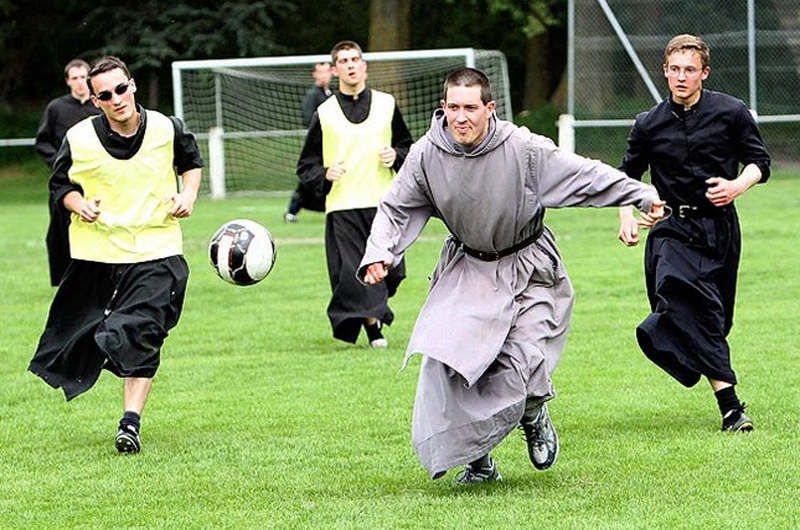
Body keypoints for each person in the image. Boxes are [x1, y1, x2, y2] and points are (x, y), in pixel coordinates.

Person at [358, 67, 665, 484]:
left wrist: (641, 192)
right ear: (442, 108)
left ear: (490, 108)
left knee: (525, 363)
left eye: (470, 108)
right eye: (453, 108)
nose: (461, 118)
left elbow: (585, 174)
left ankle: (535, 412)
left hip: (528, 267)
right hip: (467, 269)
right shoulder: (428, 154)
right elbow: (396, 208)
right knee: (451, 363)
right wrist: (380, 252)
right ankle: (479, 460)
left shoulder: (523, 148)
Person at [28, 56, 204, 455]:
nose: (116, 99)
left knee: (141, 331)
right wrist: (79, 205)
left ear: (133, 85)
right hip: (100, 255)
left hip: (158, 249)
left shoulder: (166, 127)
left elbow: (191, 162)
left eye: (121, 89)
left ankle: (130, 422)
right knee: (103, 336)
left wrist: (188, 195)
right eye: (105, 94)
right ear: (94, 100)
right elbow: (61, 186)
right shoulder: (79, 138)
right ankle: (111, 355)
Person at [617, 34, 770, 433]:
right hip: (671, 231)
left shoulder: (731, 112)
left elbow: (759, 162)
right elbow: (624, 179)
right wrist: (629, 215)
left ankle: (663, 338)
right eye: (674, 69)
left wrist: (737, 186)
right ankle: (731, 407)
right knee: (690, 300)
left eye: (689, 70)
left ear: (704, 73)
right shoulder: (648, 124)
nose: (681, 77)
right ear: (665, 71)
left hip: (719, 229)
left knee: (715, 320)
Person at [297, 40, 413, 348]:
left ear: (364, 66)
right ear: (335, 70)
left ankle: (372, 319)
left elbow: (408, 148)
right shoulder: (324, 112)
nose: (350, 65)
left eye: (355, 59)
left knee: (392, 272)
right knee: (355, 273)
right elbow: (305, 166)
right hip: (343, 206)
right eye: (343, 61)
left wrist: (396, 155)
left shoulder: (387, 104)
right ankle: (375, 330)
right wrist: (325, 174)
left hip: (385, 205)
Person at [35, 59, 102, 286]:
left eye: (84, 77)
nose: (80, 82)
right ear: (68, 81)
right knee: (60, 233)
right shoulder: (56, 108)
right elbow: (43, 143)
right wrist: (59, 164)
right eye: (75, 78)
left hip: (96, 183)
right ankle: (65, 280)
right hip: (65, 183)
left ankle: (99, 277)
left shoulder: (100, 107)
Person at [284, 62, 334, 223]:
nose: (324, 75)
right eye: (321, 72)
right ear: (315, 74)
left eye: (327, 71)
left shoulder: (331, 94)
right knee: (308, 180)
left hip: (332, 145)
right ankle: (291, 211)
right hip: (318, 146)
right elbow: (308, 118)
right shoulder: (313, 95)